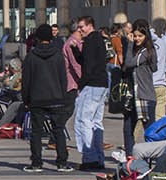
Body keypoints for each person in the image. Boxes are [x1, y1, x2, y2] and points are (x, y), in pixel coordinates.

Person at [21, 22, 73, 172]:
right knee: (58, 129)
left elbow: (27, 80)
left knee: (36, 131)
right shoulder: (58, 55)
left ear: (37, 38)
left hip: (37, 97)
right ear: (51, 37)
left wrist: (26, 99)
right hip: (56, 97)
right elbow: (63, 77)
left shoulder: (31, 56)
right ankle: (62, 162)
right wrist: (63, 95)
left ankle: (36, 162)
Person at [71, 16, 110, 170]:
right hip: (101, 83)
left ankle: (89, 157)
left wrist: (80, 86)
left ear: (90, 26)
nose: (79, 30)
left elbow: (89, 67)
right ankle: (99, 157)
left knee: (83, 120)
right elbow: (87, 61)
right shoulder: (99, 39)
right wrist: (75, 50)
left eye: (82, 27)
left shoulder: (90, 40)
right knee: (96, 122)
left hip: (92, 84)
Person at [121, 20, 156, 158]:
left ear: (146, 36)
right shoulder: (136, 50)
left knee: (149, 130)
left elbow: (129, 63)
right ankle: (130, 156)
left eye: (140, 36)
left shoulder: (147, 51)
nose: (136, 39)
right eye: (135, 36)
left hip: (145, 95)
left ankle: (151, 156)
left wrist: (129, 44)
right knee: (128, 127)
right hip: (133, 95)